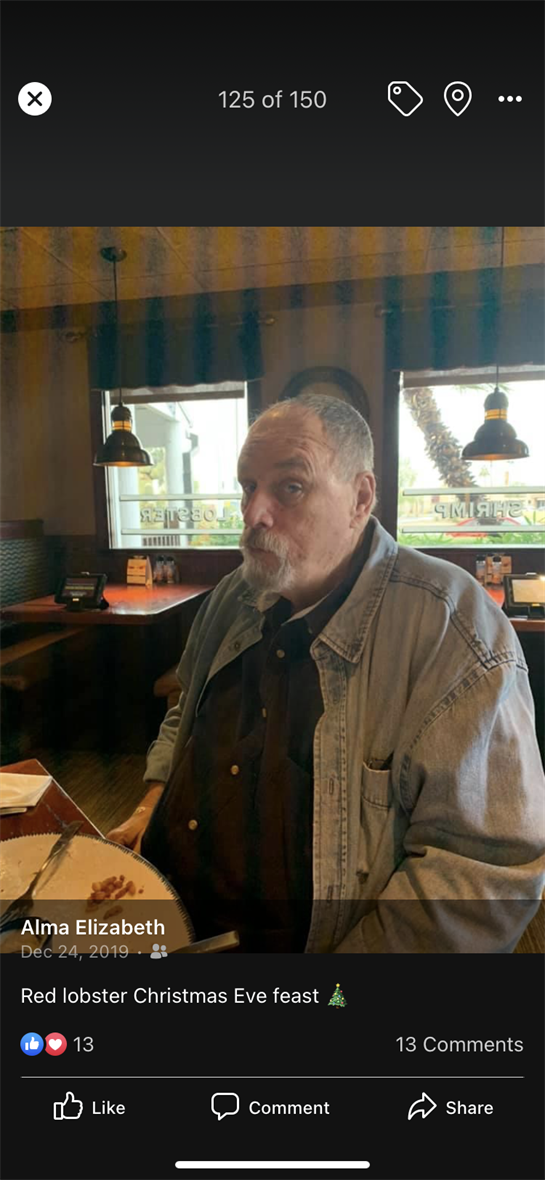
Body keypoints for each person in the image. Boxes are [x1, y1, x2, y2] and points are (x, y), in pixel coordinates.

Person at [107, 393, 545, 953]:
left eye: (290, 487)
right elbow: (184, 711)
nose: (253, 513)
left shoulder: (453, 627)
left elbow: (483, 873)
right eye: (247, 487)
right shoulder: (232, 596)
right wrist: (149, 808)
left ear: (360, 498)